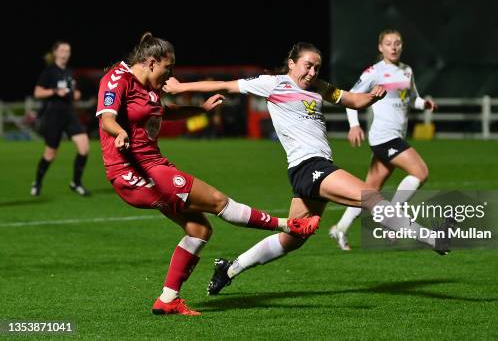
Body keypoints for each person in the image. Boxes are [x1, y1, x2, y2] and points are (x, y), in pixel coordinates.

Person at [163, 42, 454, 296]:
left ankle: (229, 269)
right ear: (291, 63)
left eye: (316, 67)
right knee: (370, 198)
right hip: (309, 166)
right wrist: (180, 88)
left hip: (311, 170)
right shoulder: (273, 83)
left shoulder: (319, 87)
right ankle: (430, 237)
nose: (312, 72)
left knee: (293, 239)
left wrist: (373, 98)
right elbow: (226, 85)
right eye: (307, 66)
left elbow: (353, 99)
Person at [97, 33, 320, 316]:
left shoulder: (150, 86)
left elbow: (160, 112)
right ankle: (289, 225)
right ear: (151, 62)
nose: (170, 75)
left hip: (154, 166)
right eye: (168, 68)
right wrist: (119, 134)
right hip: (135, 172)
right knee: (217, 201)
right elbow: (106, 118)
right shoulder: (118, 79)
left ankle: (168, 299)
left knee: (199, 230)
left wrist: (199, 110)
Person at [329, 29, 437, 250]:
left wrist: (424, 104)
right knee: (420, 172)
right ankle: (392, 221)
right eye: (388, 43)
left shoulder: (407, 71)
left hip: (395, 136)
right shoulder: (374, 72)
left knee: (369, 191)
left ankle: (340, 228)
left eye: (397, 43)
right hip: (383, 137)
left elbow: (412, 99)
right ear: (381, 47)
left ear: (402, 46)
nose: (394, 47)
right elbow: (350, 96)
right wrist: (354, 125)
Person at [31, 41, 91, 197]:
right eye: (63, 50)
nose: (66, 53)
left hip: (69, 114)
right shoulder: (49, 72)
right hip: (53, 116)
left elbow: (73, 91)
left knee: (84, 148)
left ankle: (76, 183)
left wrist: (75, 94)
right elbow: (37, 93)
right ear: (56, 52)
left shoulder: (70, 72)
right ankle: (37, 182)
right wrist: (55, 91)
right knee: (50, 154)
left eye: (68, 50)